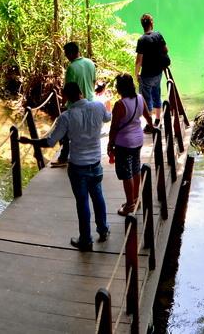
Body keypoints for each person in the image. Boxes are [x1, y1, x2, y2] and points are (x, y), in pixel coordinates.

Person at [20, 81, 112, 251]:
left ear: (67, 98)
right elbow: (108, 117)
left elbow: (50, 141)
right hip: (96, 163)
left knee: (82, 202)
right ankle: (103, 229)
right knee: (98, 197)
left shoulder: (67, 117)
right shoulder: (98, 107)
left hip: (78, 166)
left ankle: (86, 239)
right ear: (81, 93)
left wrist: (29, 141)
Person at [107, 74, 148, 216]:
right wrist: (154, 129)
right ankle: (136, 199)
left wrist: (110, 144)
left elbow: (114, 127)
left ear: (120, 88)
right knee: (136, 169)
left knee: (126, 174)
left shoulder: (120, 105)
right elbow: (148, 117)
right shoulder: (140, 98)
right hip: (138, 140)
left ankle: (130, 205)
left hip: (124, 143)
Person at [54, 42, 97, 167]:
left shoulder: (72, 67)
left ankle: (63, 158)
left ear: (71, 53)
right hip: (90, 101)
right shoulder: (90, 63)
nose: (66, 56)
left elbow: (67, 89)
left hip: (75, 104)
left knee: (65, 132)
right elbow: (93, 81)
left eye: (67, 54)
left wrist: (63, 105)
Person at [134, 14, 170, 126]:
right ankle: (158, 119)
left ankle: (150, 124)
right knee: (156, 95)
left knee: (146, 100)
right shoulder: (158, 35)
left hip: (146, 75)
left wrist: (136, 74)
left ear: (142, 25)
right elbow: (166, 50)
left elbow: (138, 61)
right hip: (158, 72)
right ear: (151, 23)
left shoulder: (141, 40)